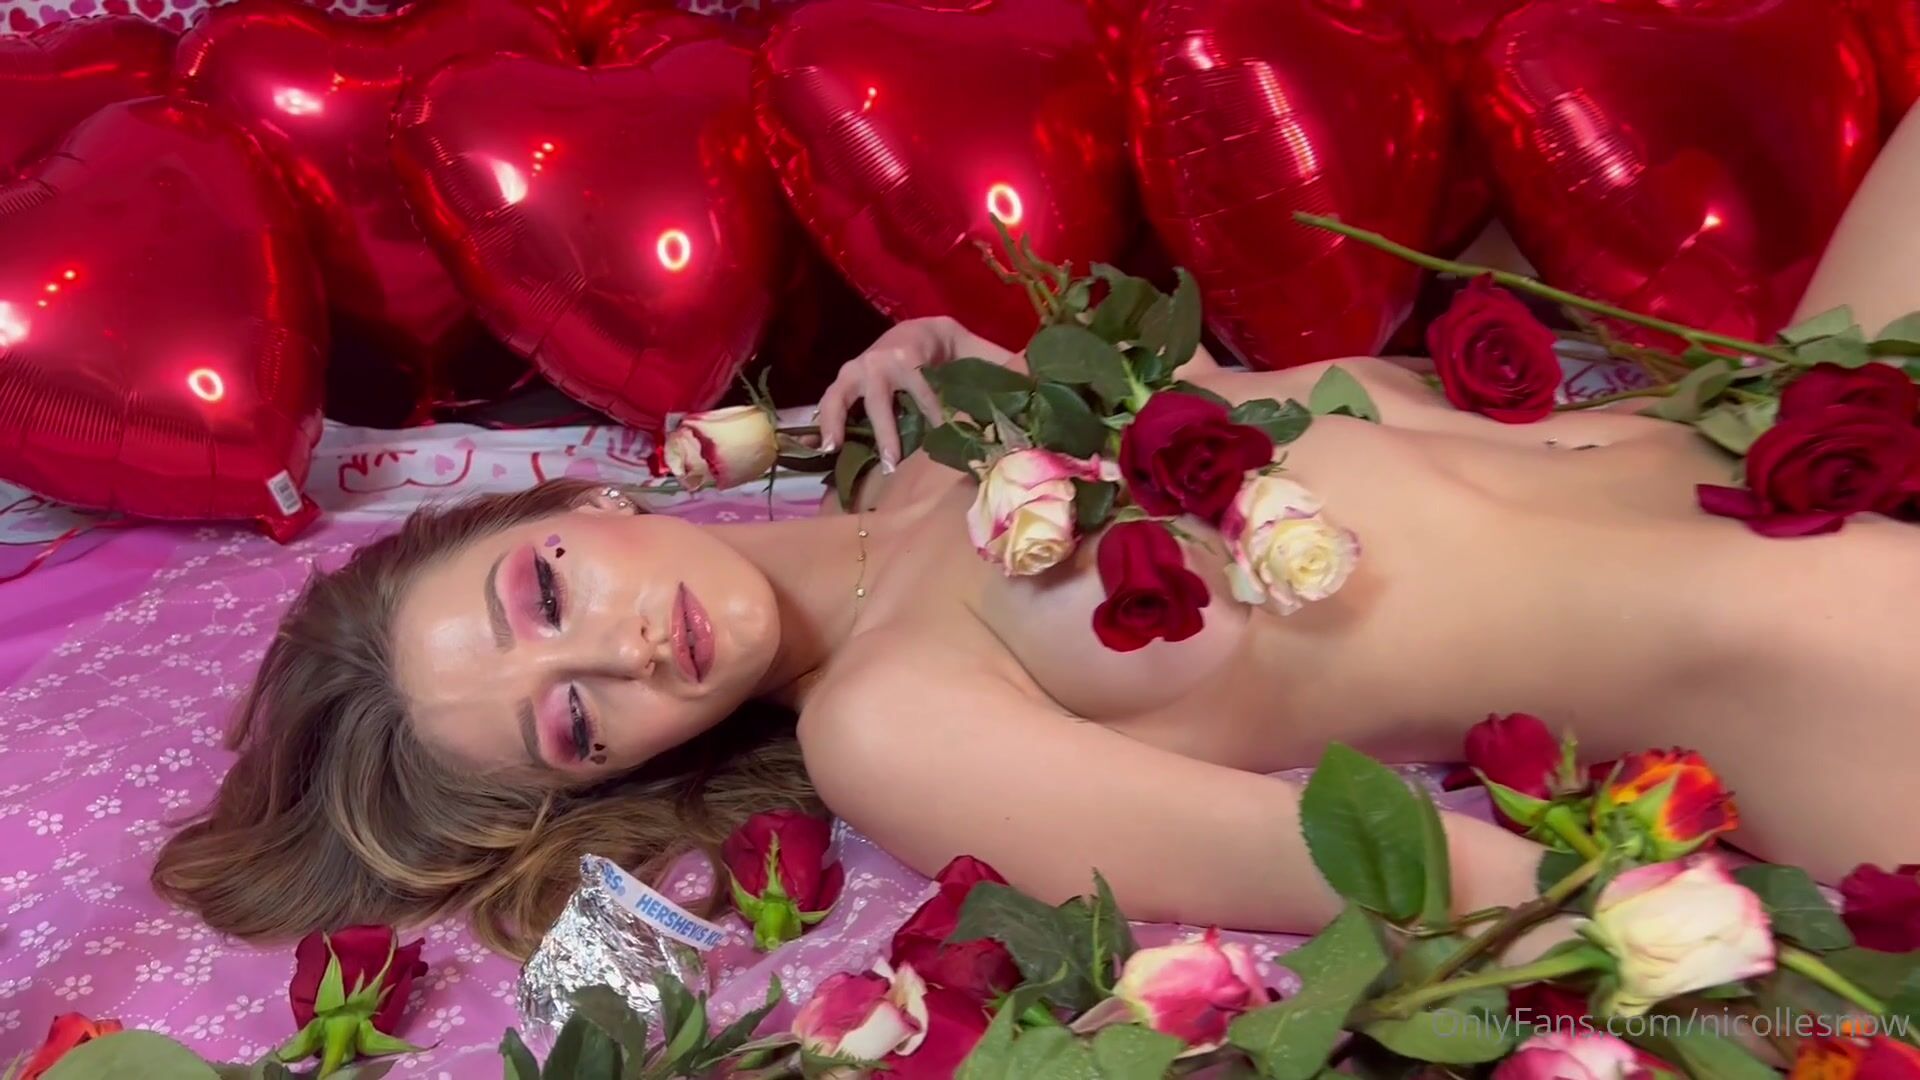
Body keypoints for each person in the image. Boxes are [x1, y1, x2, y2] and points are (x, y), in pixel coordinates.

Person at [154, 116, 1920, 961]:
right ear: (609, 772)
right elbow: (1383, 873)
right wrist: (1719, 968)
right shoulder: (889, 726)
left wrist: (1018, 369)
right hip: (1809, 645)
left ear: (584, 501)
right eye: (571, 720)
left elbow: (1383, 417)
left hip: (1778, 426)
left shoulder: (938, 432)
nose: (617, 651)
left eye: (546, 590)